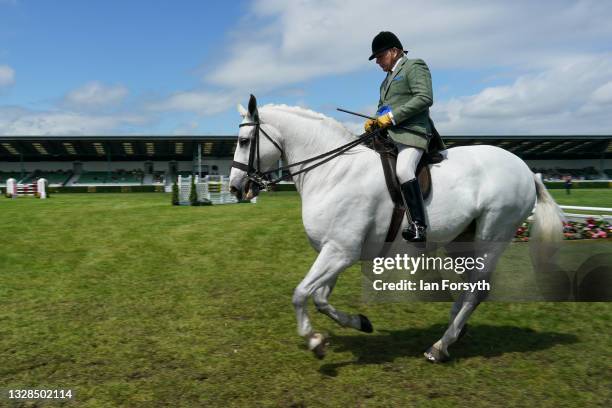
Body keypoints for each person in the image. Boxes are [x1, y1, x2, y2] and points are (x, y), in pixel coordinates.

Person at [364, 31, 433, 242]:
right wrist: (374, 120)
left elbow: (424, 97)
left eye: (379, 56)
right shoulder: (385, 82)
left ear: (394, 51)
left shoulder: (414, 66)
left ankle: (419, 225)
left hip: (412, 133)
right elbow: (382, 109)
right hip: (389, 136)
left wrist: (392, 117)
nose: (377, 61)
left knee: (403, 169)